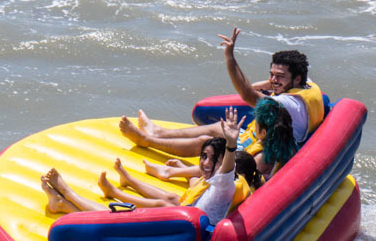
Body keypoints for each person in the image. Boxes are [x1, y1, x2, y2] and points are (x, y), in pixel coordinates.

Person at [119, 26, 326, 156]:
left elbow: (248, 95)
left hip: (272, 151)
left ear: (296, 78)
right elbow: (260, 87)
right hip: (273, 137)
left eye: (280, 76)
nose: (273, 80)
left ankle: (147, 140)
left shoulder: (288, 104)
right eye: (272, 74)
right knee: (221, 127)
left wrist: (230, 57)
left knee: (210, 143)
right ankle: (160, 132)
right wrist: (272, 83)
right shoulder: (307, 83)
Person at [41, 108, 245, 226]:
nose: (206, 163)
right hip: (185, 226)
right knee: (169, 201)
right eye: (203, 157)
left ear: (223, 163)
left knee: (118, 217)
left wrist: (231, 143)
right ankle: (64, 204)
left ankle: (68, 194)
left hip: (178, 237)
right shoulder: (214, 183)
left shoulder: (223, 185)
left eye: (213, 159)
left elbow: (226, 170)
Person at [144, 97, 298, 179]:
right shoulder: (283, 145)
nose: (253, 124)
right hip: (233, 180)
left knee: (212, 151)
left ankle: (168, 171)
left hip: (227, 192)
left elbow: (226, 177)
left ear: (264, 133)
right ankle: (156, 137)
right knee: (214, 140)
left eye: (256, 122)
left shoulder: (260, 158)